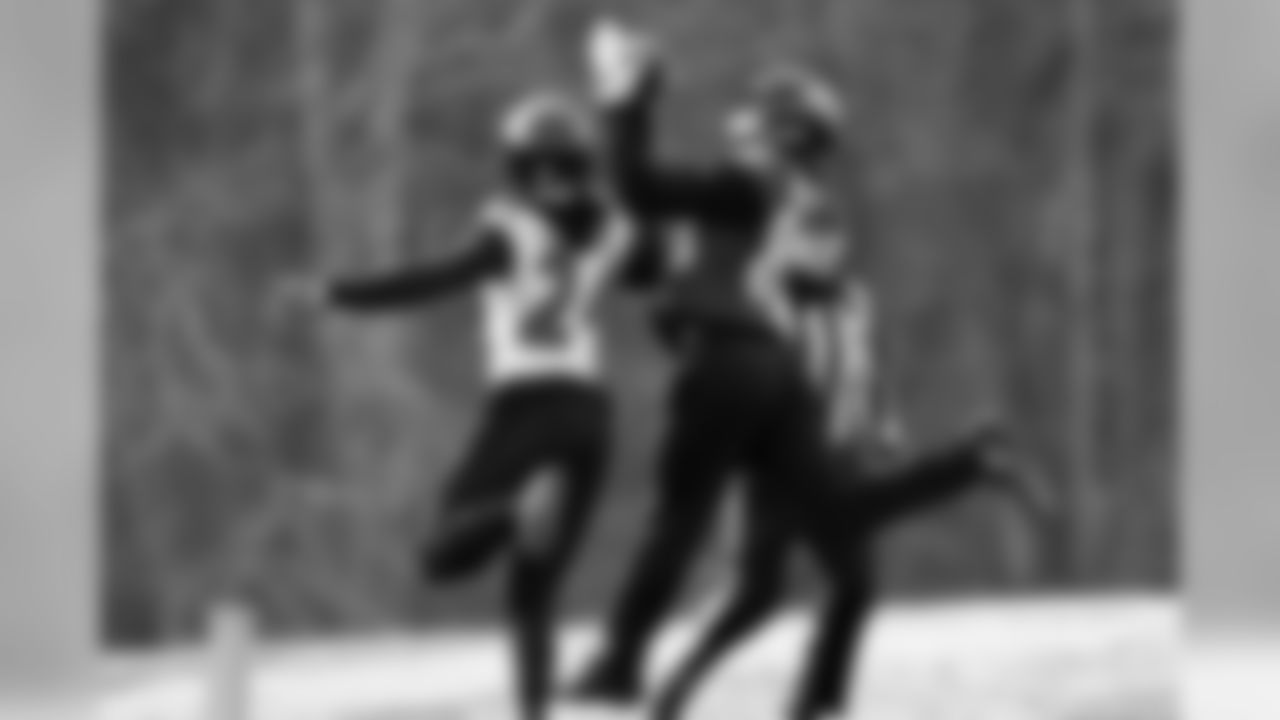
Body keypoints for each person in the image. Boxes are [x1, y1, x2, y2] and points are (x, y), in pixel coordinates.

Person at [569, 20, 1050, 720]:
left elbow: (645, 193)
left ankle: (628, 669)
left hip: (747, 376)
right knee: (820, 545)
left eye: (758, 115)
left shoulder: (761, 187)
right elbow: (658, 252)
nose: (742, 123)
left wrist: (626, 97)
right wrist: (594, 221)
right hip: (780, 389)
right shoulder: (783, 199)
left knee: (708, 536)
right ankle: (967, 466)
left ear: (781, 131)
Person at [313, 91, 634, 720]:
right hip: (591, 415)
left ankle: (515, 510)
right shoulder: (611, 231)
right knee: (534, 592)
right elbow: (659, 259)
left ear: (516, 167)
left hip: (528, 405)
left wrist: (338, 294)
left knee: (441, 552)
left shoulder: (509, 230)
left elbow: (432, 279)